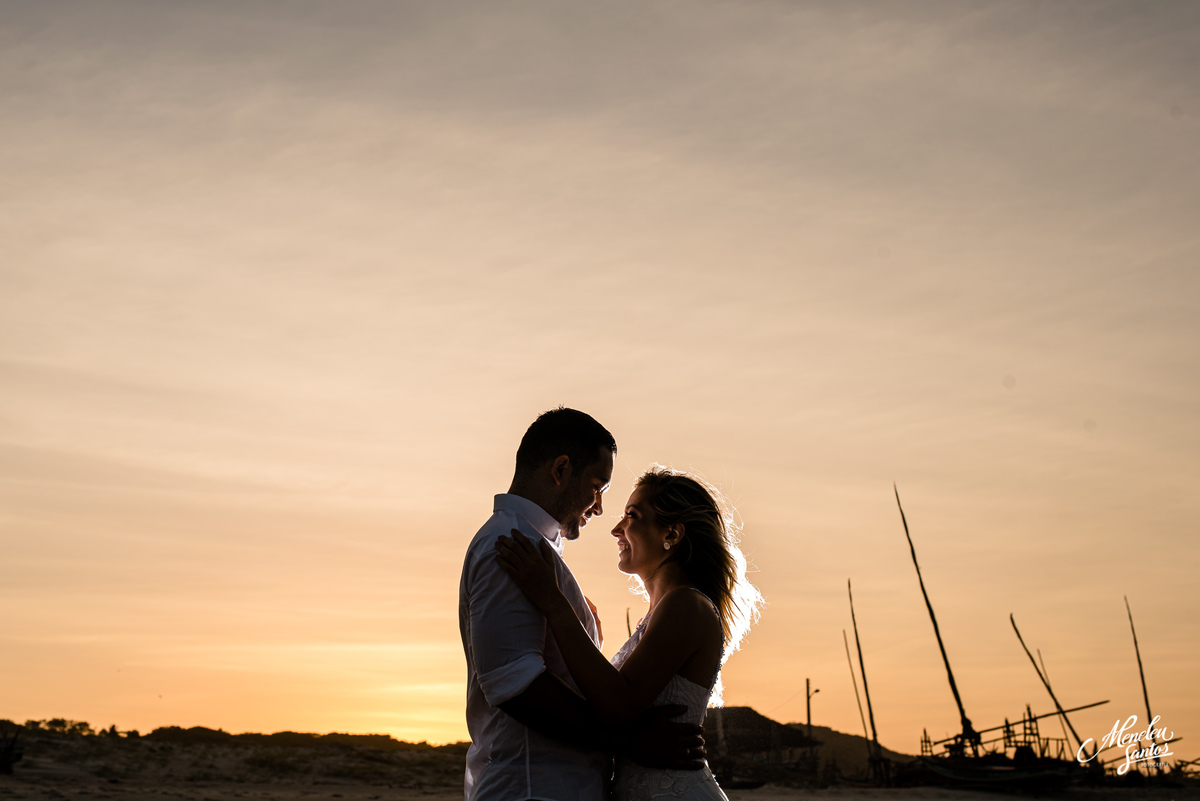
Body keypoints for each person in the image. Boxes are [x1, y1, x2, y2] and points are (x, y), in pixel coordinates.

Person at [459, 409, 705, 801]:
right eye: (597, 486)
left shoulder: (535, 551)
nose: (599, 509)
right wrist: (629, 740)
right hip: (533, 790)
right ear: (560, 470)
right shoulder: (509, 548)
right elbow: (515, 686)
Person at [497, 465, 763, 801]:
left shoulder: (685, 604)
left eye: (632, 515)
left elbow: (618, 704)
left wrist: (554, 602)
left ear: (671, 535)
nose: (616, 529)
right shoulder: (666, 611)